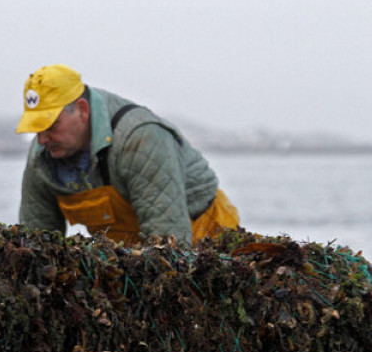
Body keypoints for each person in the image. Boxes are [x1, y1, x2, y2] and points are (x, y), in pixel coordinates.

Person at [16, 64, 239, 245]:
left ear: (83, 110)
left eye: (51, 126)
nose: (42, 139)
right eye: (36, 128)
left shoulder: (141, 138)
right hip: (126, 252)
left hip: (206, 237)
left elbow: (169, 243)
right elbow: (36, 244)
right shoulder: (42, 159)